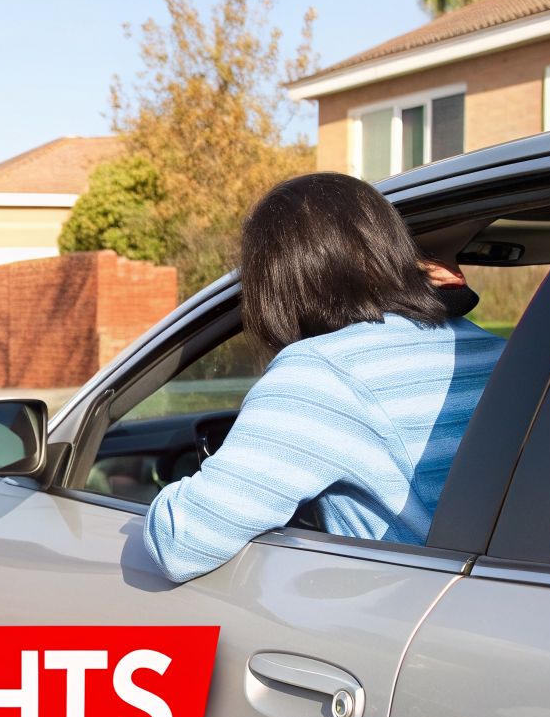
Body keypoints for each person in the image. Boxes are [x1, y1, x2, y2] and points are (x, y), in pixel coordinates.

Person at [143, 171, 507, 583]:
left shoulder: (322, 373)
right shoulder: (499, 352)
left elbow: (184, 544)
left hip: (401, 622)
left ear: (276, 284)